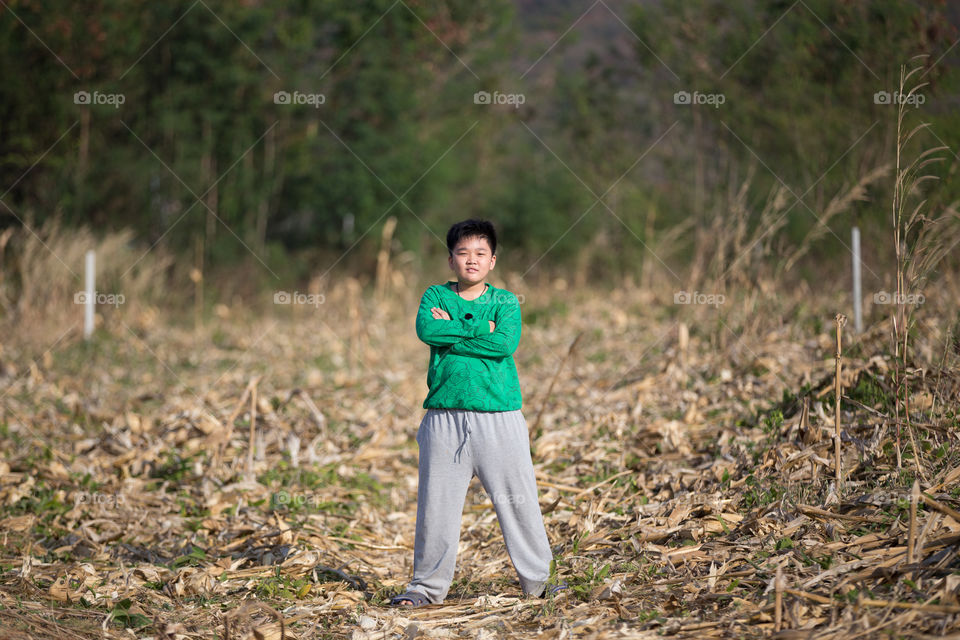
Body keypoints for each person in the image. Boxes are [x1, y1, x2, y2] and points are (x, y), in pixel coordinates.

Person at [390, 219, 554, 606]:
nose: (472, 260)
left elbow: (504, 343)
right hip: (444, 417)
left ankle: (541, 581)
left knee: (518, 500)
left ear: (492, 260)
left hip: (499, 416)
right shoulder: (435, 296)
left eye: (480, 253)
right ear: (450, 260)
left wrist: (457, 334)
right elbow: (428, 332)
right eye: (463, 253)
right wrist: (482, 331)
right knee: (436, 506)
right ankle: (425, 589)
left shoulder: (506, 302)